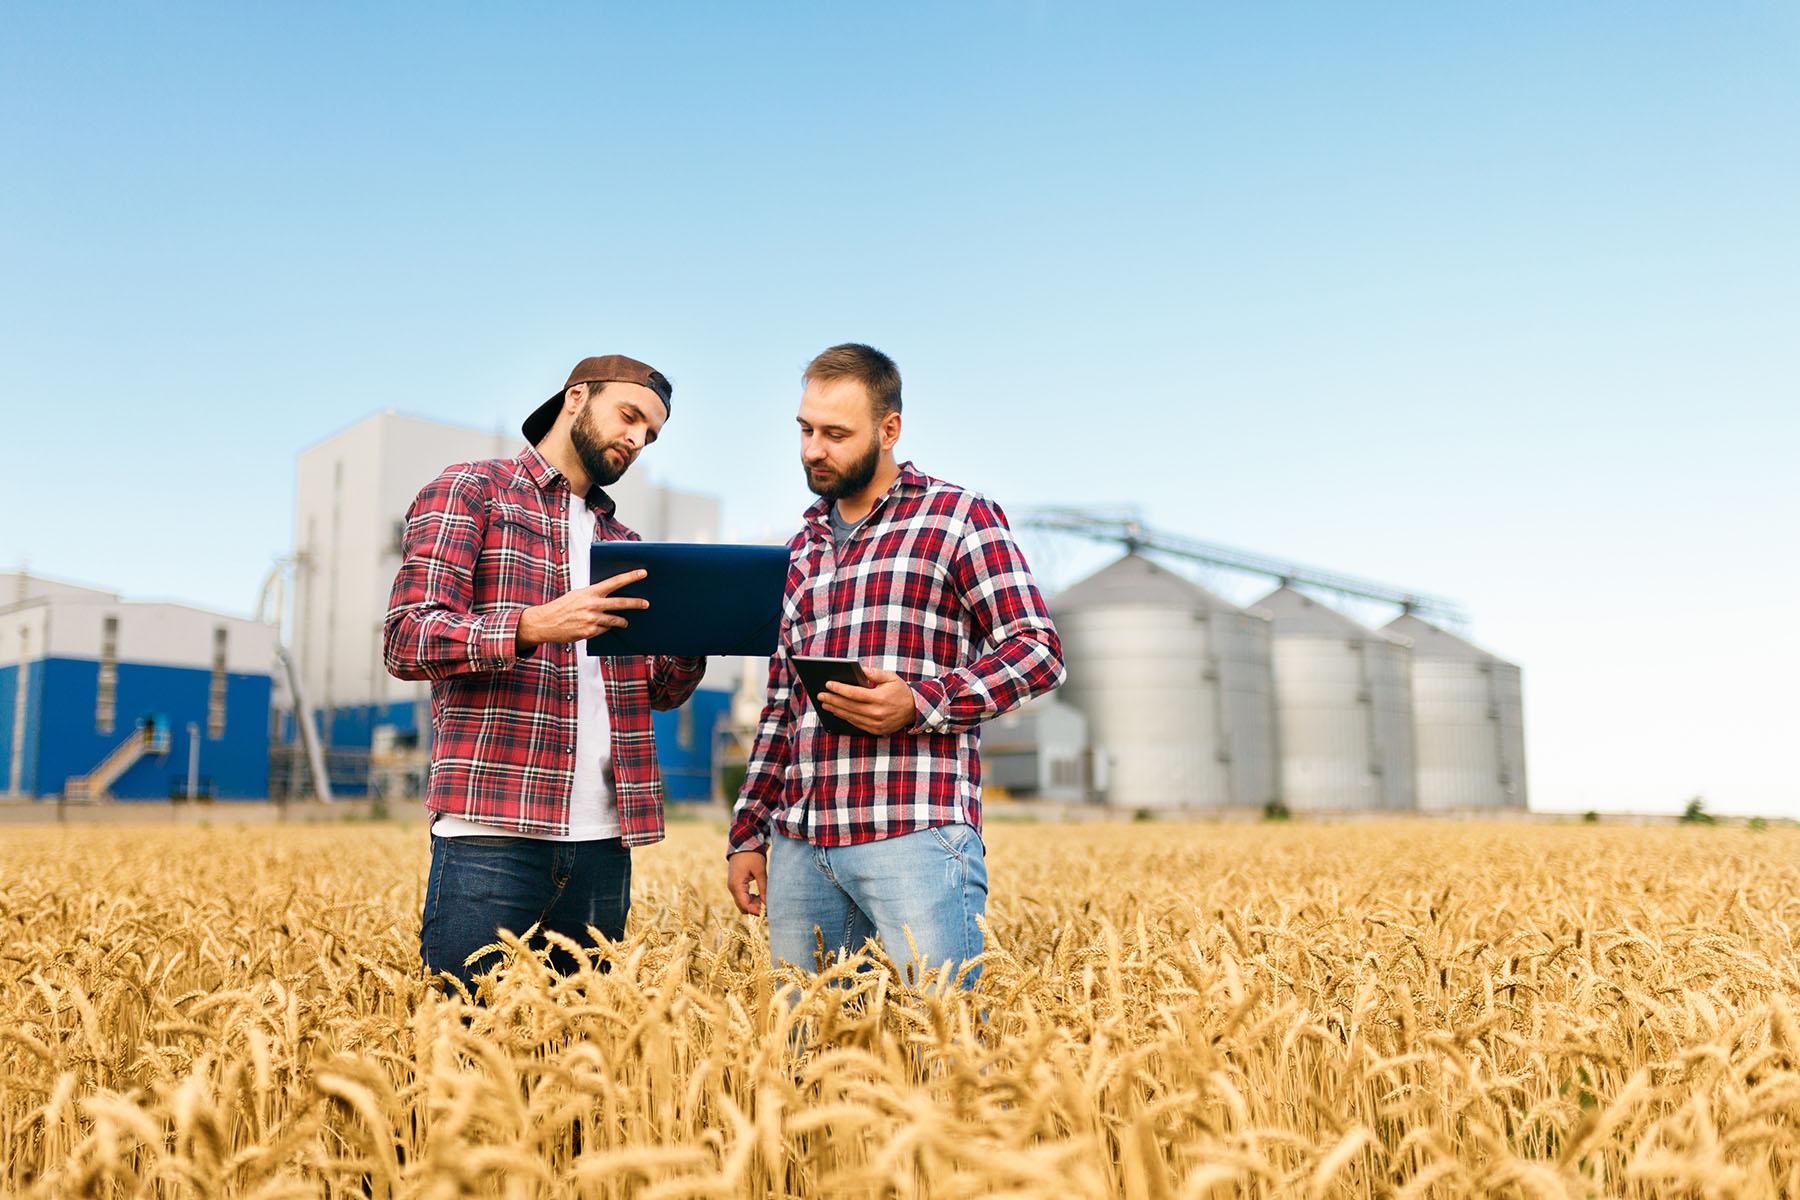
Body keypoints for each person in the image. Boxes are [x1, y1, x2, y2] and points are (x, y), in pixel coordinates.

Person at [726, 343, 1065, 988]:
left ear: (889, 431)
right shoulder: (801, 547)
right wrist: (749, 831)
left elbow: (1037, 651)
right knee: (804, 1055)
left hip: (914, 831)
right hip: (801, 844)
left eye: (835, 434)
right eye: (805, 430)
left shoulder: (959, 516)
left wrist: (920, 702)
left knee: (945, 1046)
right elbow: (781, 705)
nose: (812, 450)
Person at [384, 355, 706, 992]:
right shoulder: (473, 490)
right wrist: (532, 625)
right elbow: (405, 636)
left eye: (652, 434)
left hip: (604, 840)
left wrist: (697, 633)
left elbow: (660, 693)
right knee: (463, 1041)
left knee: (580, 1058)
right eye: (630, 415)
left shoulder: (632, 546)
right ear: (576, 398)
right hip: (492, 830)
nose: (638, 440)